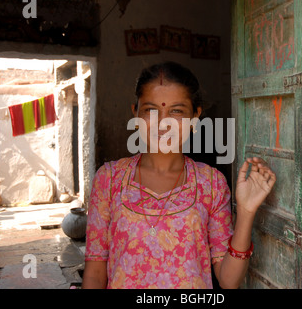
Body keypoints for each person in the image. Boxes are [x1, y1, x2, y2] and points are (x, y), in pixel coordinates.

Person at [82, 61, 276, 289]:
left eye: (176, 111)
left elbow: (228, 280)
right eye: (151, 110)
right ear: (135, 114)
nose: (163, 123)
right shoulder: (109, 179)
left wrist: (245, 212)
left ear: (195, 117)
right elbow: (95, 274)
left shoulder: (211, 183)